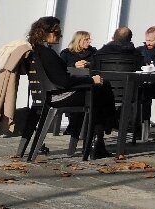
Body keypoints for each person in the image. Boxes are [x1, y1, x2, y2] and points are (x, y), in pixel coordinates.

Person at [27, 16, 118, 158]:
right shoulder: (47, 53)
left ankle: (100, 138)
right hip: (59, 96)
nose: (60, 35)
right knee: (102, 90)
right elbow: (64, 81)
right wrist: (91, 80)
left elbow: (62, 79)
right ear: (46, 33)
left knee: (101, 91)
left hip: (49, 95)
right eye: (57, 33)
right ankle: (100, 139)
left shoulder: (38, 51)